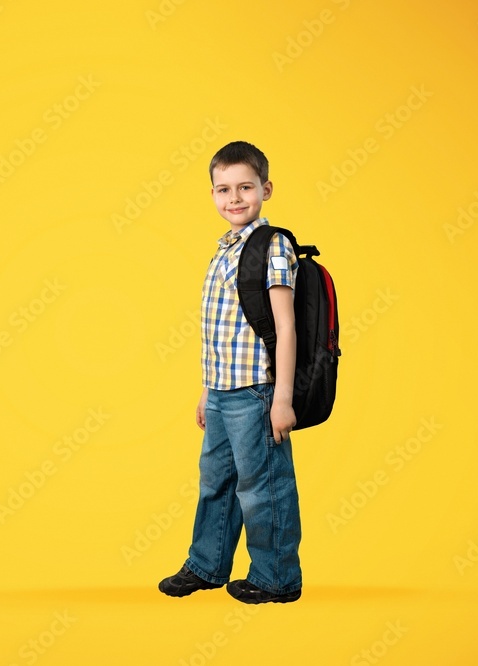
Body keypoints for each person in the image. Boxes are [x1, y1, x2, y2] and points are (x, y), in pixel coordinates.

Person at [159, 140, 302, 604]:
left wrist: (281, 398)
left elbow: (284, 324)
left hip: (256, 391)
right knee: (214, 480)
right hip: (222, 390)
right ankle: (206, 564)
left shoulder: (272, 245)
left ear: (266, 188)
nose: (234, 198)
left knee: (262, 489)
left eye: (245, 187)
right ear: (213, 193)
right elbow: (221, 329)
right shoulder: (224, 248)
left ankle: (276, 578)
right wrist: (207, 391)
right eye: (223, 189)